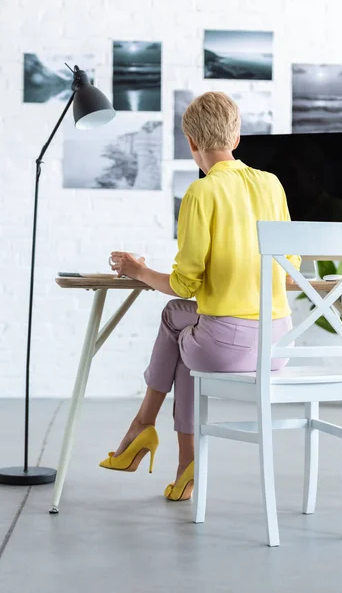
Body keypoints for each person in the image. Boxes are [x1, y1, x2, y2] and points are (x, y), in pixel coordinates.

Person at [99, 92, 301, 501]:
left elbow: (183, 285)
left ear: (191, 143)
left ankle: (144, 428)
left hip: (228, 349)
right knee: (188, 337)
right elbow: (290, 263)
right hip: (280, 345)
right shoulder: (272, 184)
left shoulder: (201, 193)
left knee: (176, 316)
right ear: (237, 137)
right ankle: (180, 465)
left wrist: (137, 270)